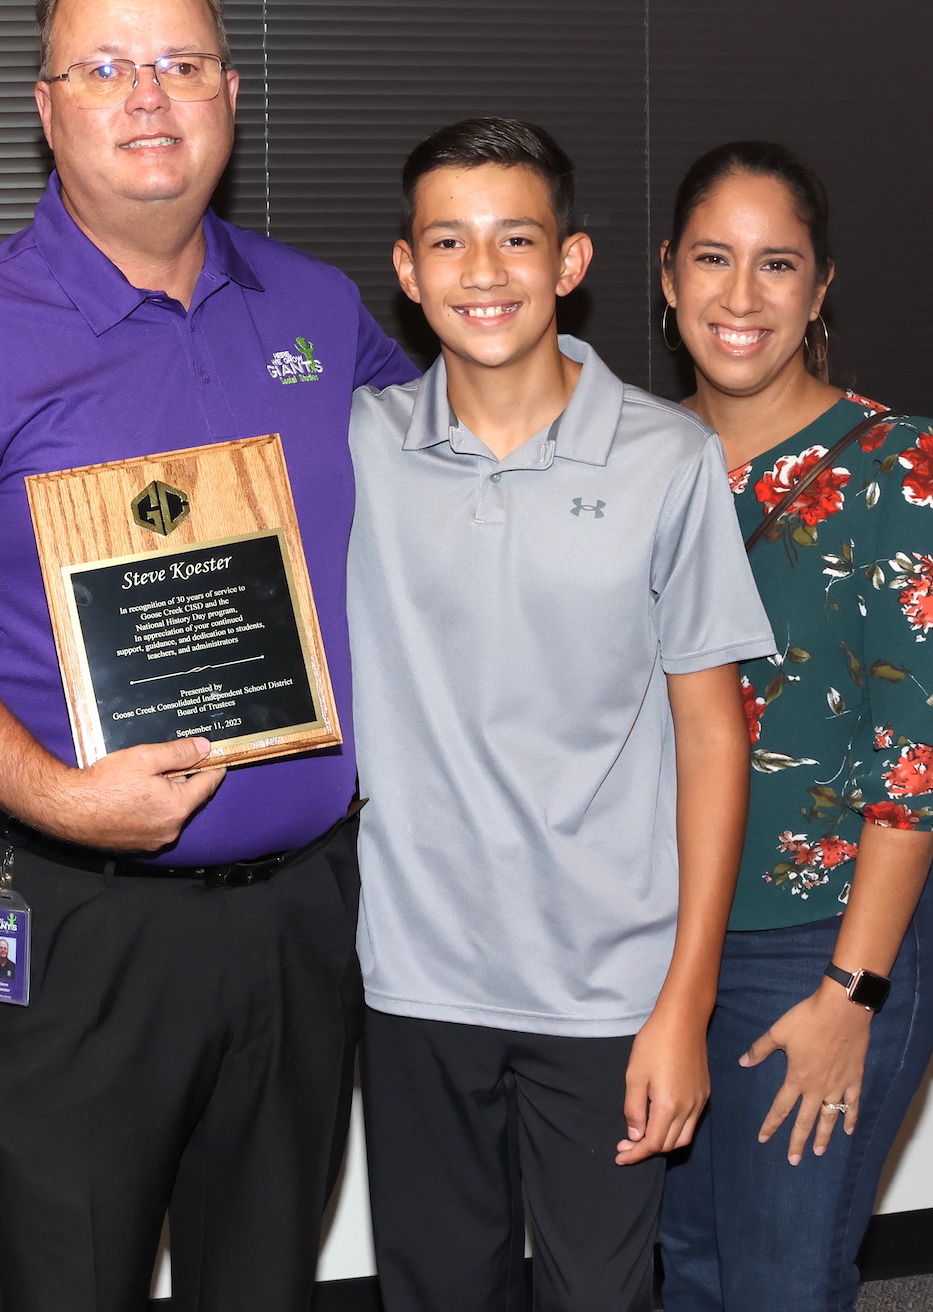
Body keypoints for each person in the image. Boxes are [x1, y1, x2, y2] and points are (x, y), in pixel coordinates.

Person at [0, 0, 417, 1312]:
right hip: (79, 919)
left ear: (231, 92)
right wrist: (54, 795)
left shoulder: (319, 313)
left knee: (262, 1283)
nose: (147, 98)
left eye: (180, 65)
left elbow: (468, 454)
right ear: (47, 106)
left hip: (302, 915)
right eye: (104, 67)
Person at [349, 118, 771, 1312]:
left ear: (571, 263)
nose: (483, 272)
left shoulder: (668, 456)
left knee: (600, 1294)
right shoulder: (357, 447)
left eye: (516, 238)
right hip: (416, 976)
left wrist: (683, 1001)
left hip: (609, 989)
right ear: (409, 267)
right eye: (450, 241)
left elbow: (712, 734)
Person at [650, 143, 933, 1311]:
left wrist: (854, 994)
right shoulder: (635, 460)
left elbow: (922, 760)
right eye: (713, 258)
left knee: (782, 1281)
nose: (741, 297)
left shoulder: (907, 468)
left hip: (823, 941)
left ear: (822, 285)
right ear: (665, 272)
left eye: (777, 263)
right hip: (659, 937)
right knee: (683, 1265)